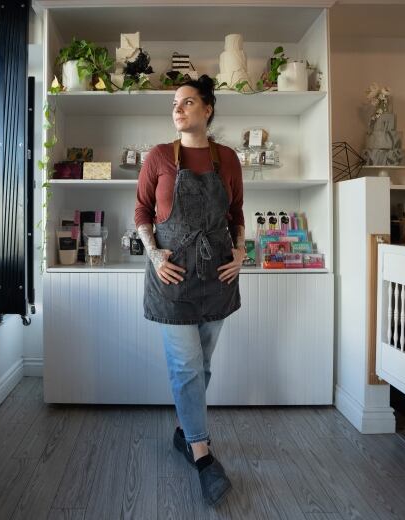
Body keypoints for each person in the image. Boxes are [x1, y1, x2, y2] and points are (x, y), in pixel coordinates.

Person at [134, 74, 246, 506]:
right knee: (186, 366)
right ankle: (203, 455)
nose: (177, 109)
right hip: (173, 276)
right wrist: (154, 255)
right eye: (174, 104)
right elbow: (142, 210)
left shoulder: (228, 159)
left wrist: (240, 252)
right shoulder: (159, 157)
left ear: (208, 109)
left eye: (187, 102)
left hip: (218, 274)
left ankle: (184, 432)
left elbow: (236, 212)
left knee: (203, 365)